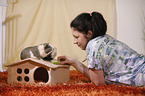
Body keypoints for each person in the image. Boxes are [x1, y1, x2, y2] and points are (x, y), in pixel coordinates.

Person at [57, 12, 145, 87]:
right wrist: (74, 62)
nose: (74, 42)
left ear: (89, 33)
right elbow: (96, 76)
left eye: (76, 37)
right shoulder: (104, 39)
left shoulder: (93, 46)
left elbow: (98, 83)